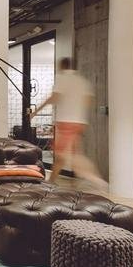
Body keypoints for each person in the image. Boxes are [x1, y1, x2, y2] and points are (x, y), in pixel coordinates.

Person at [30, 57, 107, 191]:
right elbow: (88, 101)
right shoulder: (82, 82)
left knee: (66, 155)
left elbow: (54, 97)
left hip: (65, 122)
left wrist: (35, 112)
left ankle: (94, 179)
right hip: (79, 122)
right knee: (65, 155)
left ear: (61, 66)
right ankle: (52, 182)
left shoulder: (62, 78)